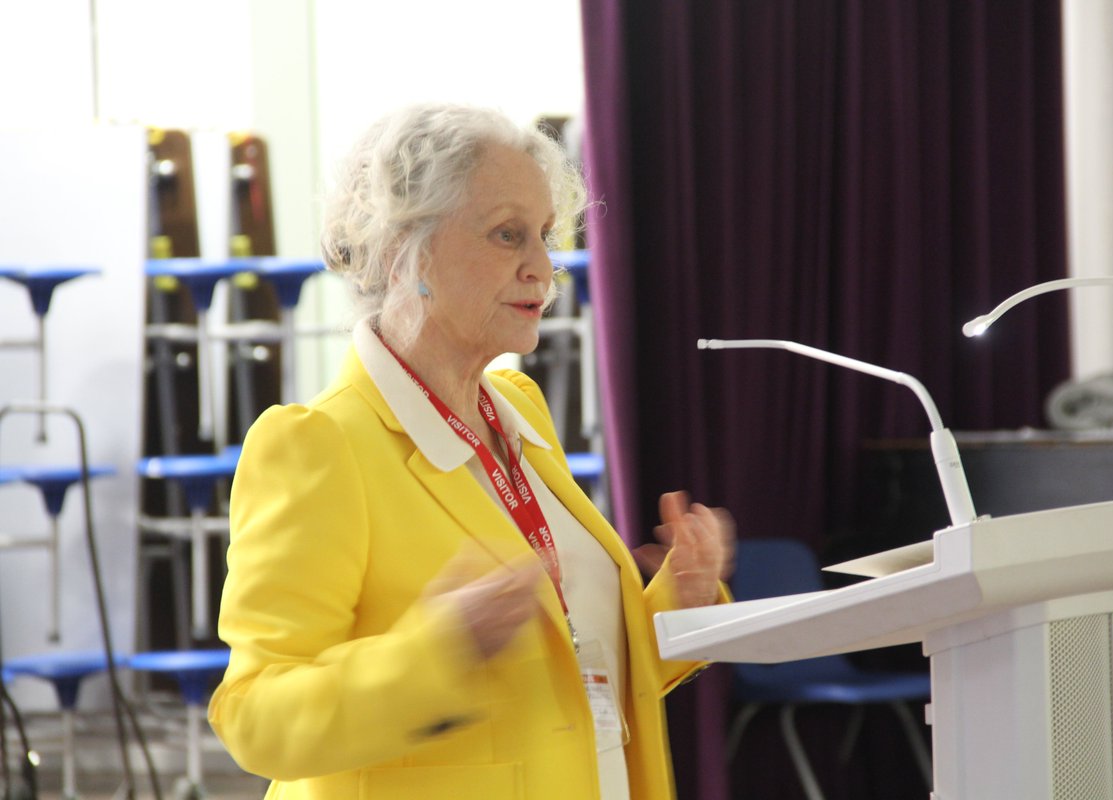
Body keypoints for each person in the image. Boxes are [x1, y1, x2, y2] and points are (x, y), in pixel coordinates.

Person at [208, 103, 736, 799]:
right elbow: (256, 718)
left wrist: (678, 601)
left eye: (546, 235)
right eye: (508, 234)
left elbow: (573, 671)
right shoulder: (317, 445)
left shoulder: (520, 410)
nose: (543, 267)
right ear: (406, 250)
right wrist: (435, 654)